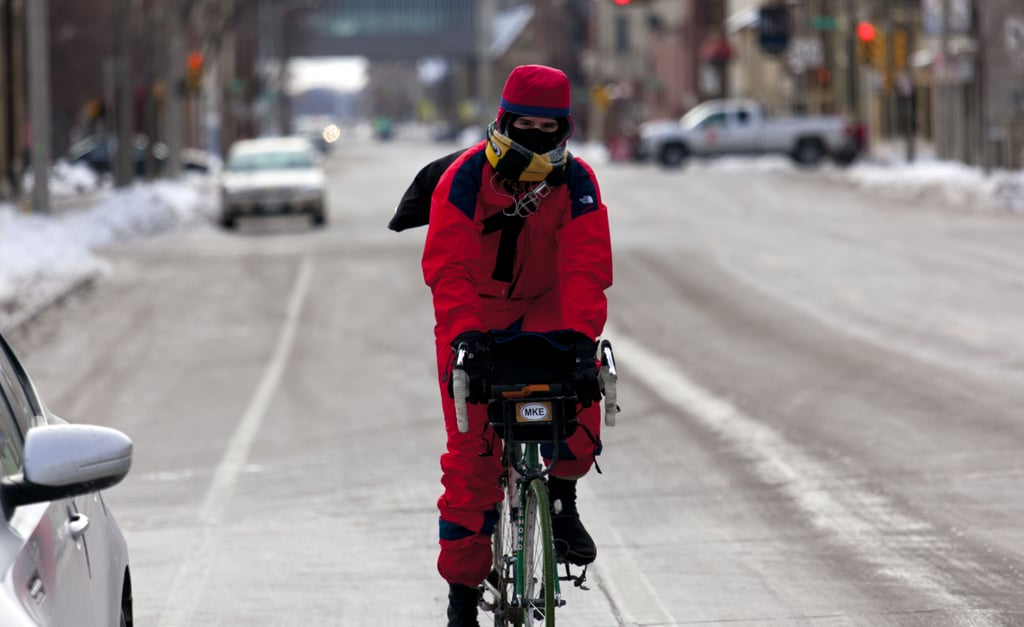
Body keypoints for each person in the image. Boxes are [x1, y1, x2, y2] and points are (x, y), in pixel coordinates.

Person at [420, 64, 613, 626]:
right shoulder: (462, 178)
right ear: (503, 120)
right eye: (522, 125)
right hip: (474, 314)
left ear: (564, 131)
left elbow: (585, 265)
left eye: (546, 129)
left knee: (580, 395)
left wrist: (581, 340)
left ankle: (561, 500)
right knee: (473, 457)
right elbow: (448, 265)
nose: (533, 138)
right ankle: (461, 597)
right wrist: (466, 338)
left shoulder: (577, 182)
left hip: (547, 306)